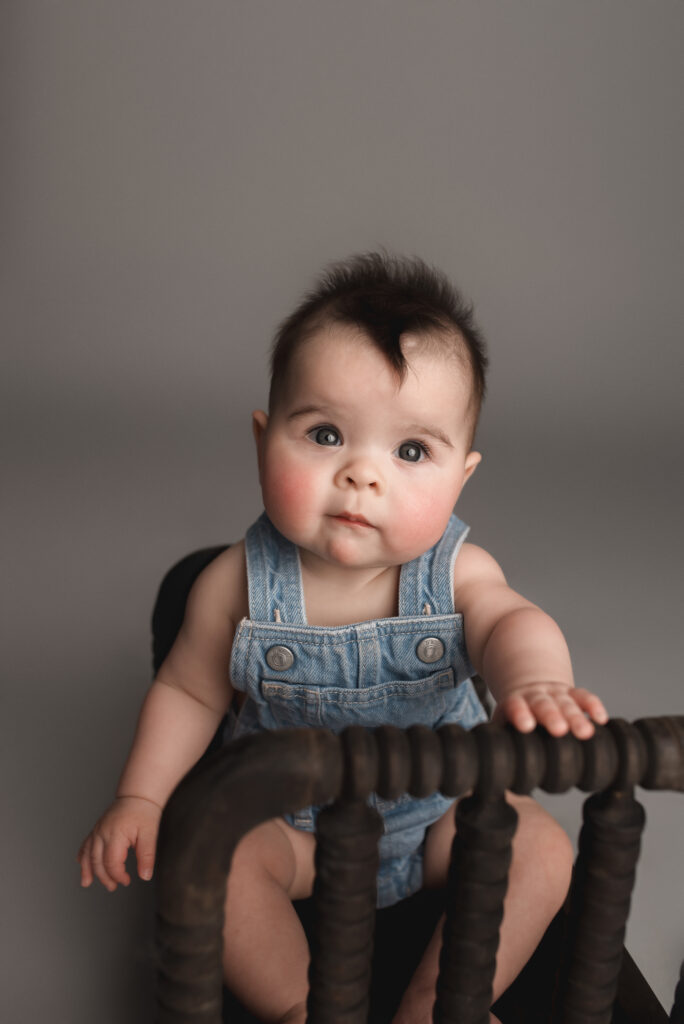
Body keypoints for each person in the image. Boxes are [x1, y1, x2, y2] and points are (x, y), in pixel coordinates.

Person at [78, 251, 608, 1024]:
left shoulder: (460, 574)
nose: (363, 475)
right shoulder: (235, 583)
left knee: (541, 851)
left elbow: (511, 623)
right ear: (264, 440)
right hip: (293, 835)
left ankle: (442, 1005)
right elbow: (188, 689)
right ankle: (304, 1008)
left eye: (411, 451)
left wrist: (535, 684)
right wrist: (142, 796)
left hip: (437, 820)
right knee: (209, 860)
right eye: (325, 434)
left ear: (462, 476)